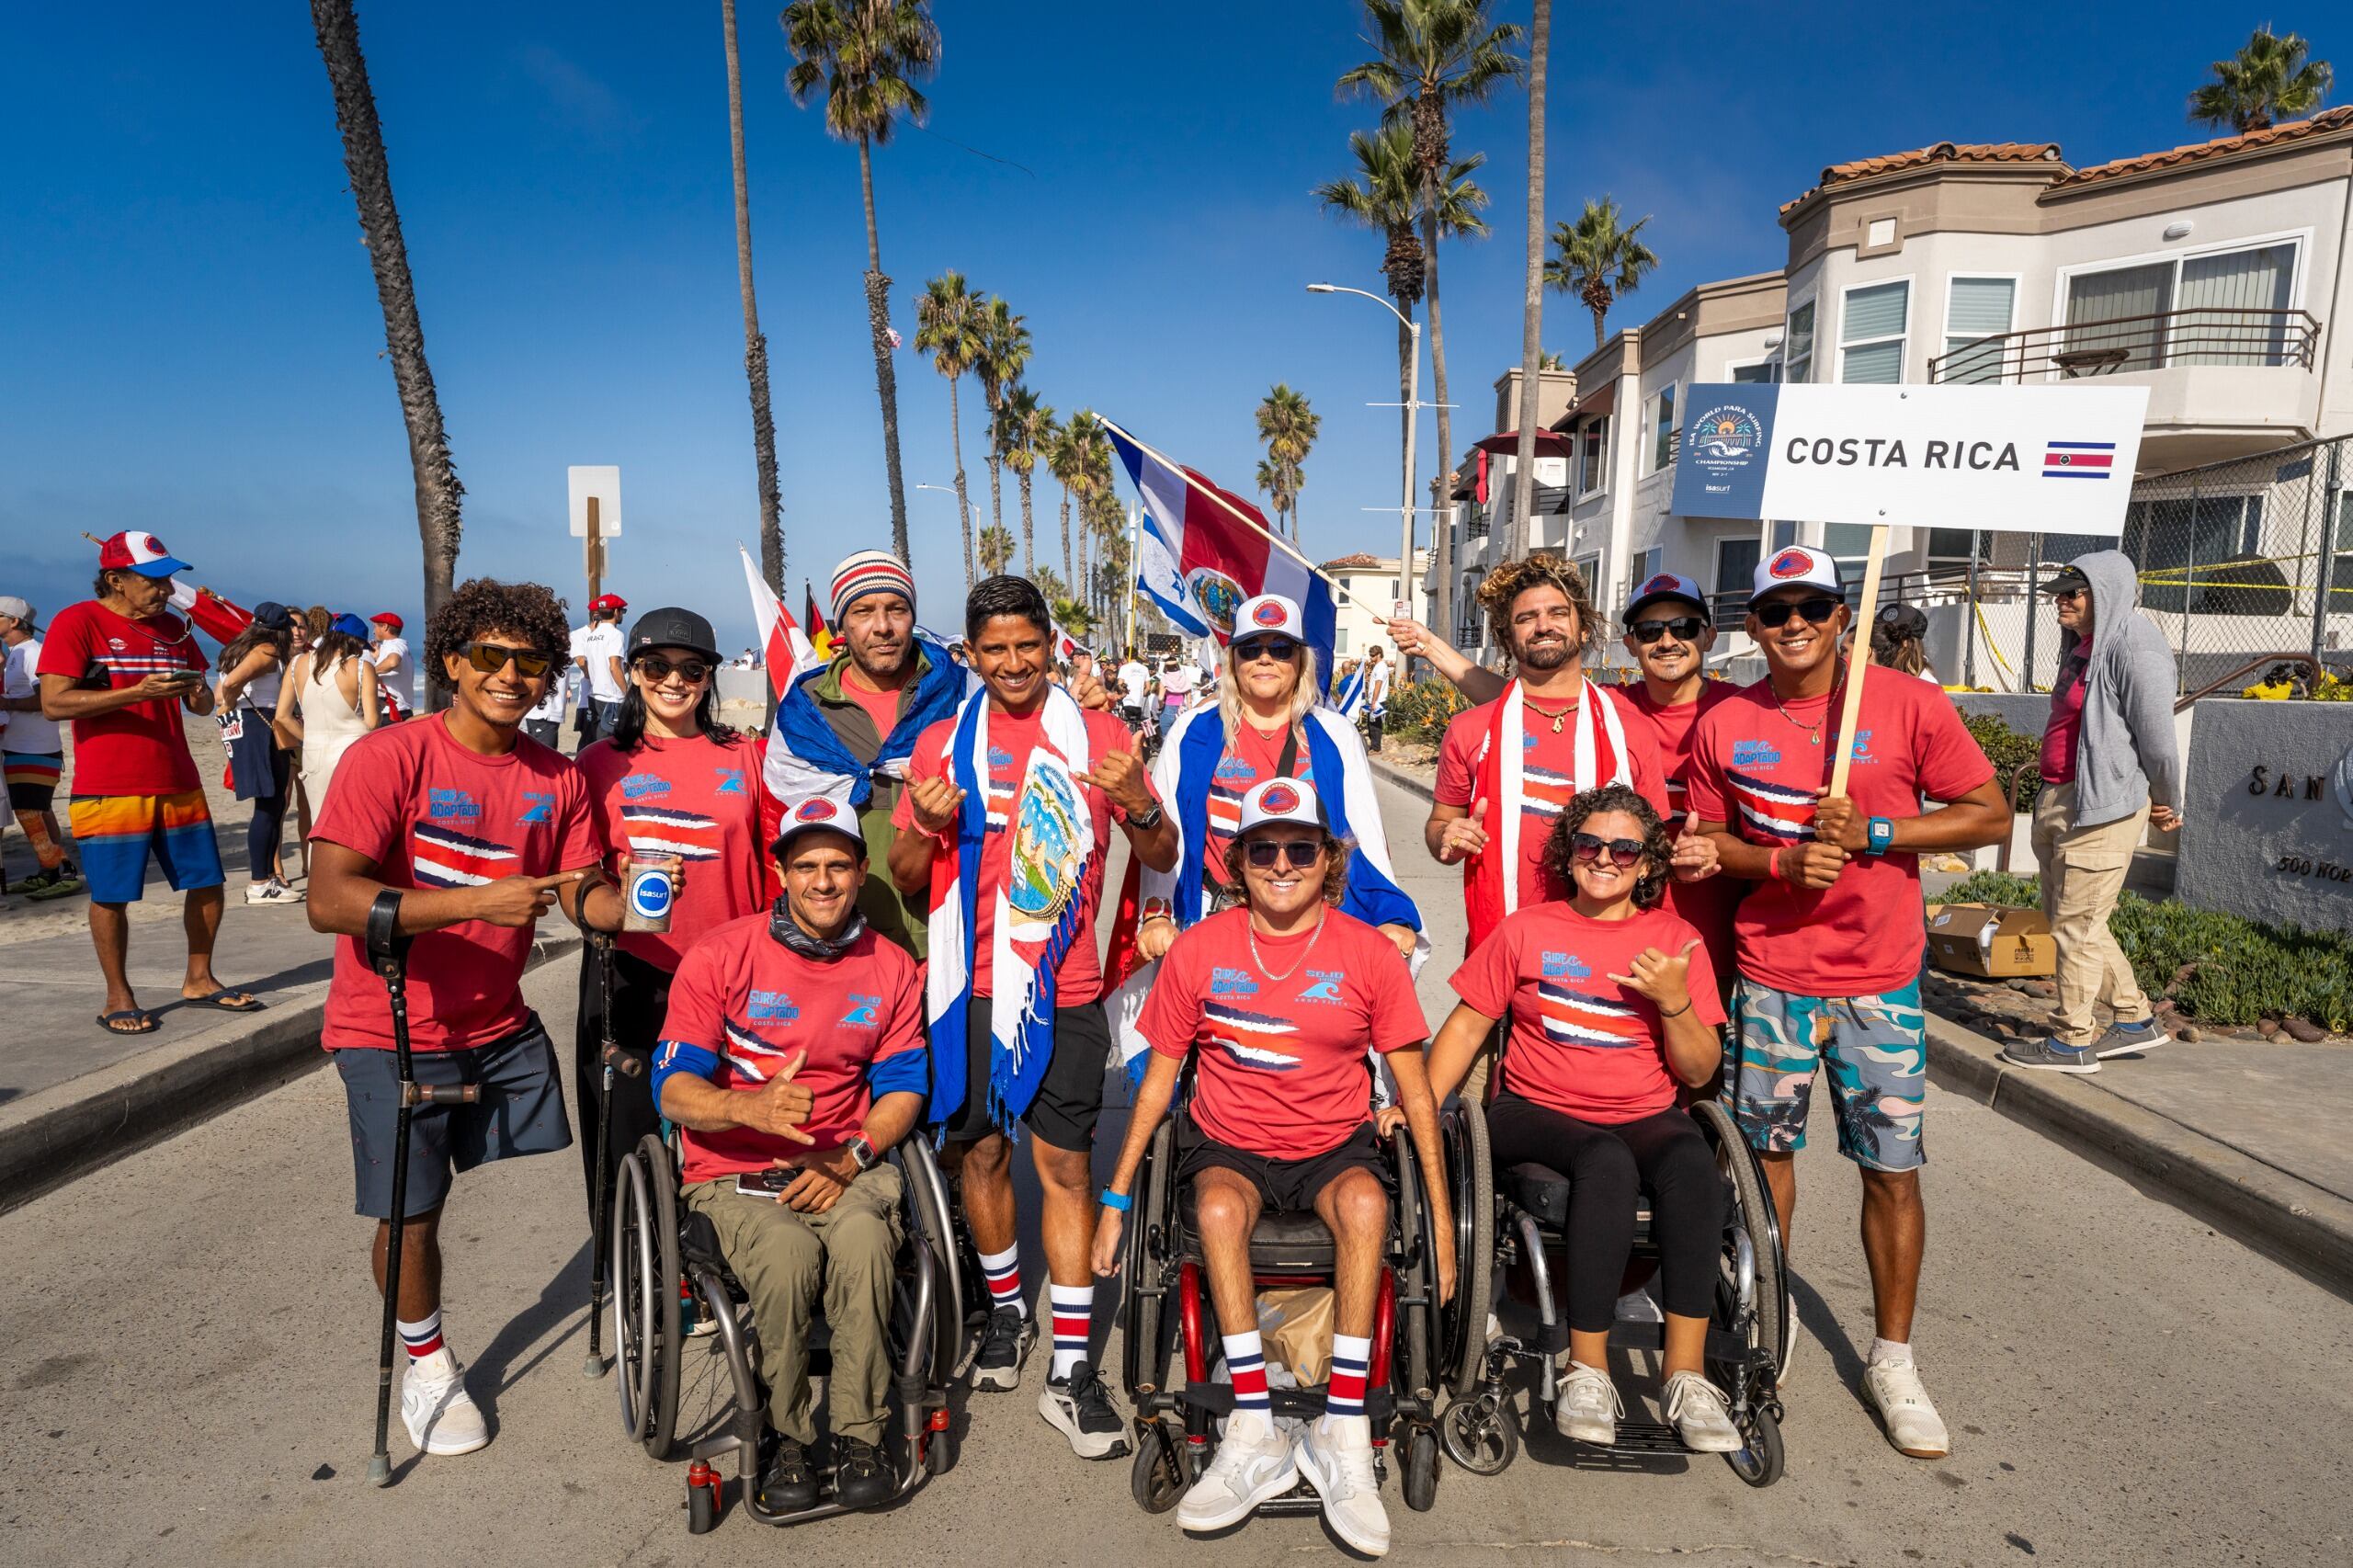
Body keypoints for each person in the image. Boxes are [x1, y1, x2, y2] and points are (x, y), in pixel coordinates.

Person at [1684, 545, 2008, 1460]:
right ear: (1753, 623)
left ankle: (1893, 1357)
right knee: (1761, 1162)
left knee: (1890, 1167)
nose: (1792, 624)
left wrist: (1876, 831)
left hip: (1879, 981)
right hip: (1772, 973)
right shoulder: (1728, 719)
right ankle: (1766, 1320)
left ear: (1840, 617)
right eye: (1774, 609)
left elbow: (1988, 813)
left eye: (1811, 608)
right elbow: (1708, 842)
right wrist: (1777, 860)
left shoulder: (1906, 703)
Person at [305, 576, 625, 1460]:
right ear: (451, 662)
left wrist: (626, 906)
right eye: (491, 656)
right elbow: (330, 901)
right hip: (391, 1024)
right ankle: (427, 1365)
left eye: (531, 661)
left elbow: (576, 894)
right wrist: (471, 902)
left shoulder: (557, 776)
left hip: (499, 1024)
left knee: (474, 1180)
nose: (511, 675)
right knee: (412, 1213)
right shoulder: (389, 758)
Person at [1095, 778, 1450, 1556]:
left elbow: (1417, 1093)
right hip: (1233, 1145)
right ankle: (1252, 1427)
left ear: (1329, 860)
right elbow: (1157, 1081)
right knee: (1216, 1211)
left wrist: (1448, 1231)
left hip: (1333, 1143)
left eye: (1300, 848)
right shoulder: (1199, 950)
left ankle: (1344, 1431)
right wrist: (1117, 1196)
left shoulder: (1368, 953)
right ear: (1238, 861)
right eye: (1264, 849)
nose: (1282, 863)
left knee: (1366, 1207)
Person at [889, 574, 1177, 1456]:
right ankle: (1009, 1312)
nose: (1013, 663)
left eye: (1028, 644)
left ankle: (1071, 1372)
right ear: (970, 657)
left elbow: (1162, 850)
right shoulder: (941, 743)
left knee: (1061, 1166)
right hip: (967, 989)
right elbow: (904, 877)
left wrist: (1134, 799)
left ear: (1051, 644)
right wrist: (924, 830)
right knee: (978, 1151)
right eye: (995, 649)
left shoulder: (1100, 736)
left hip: (1064, 989)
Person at [1425, 782, 1740, 1452]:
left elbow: (1697, 1074)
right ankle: (1587, 1369)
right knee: (1607, 1161)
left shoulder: (1675, 942)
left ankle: (1684, 1374)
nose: (1605, 857)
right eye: (1590, 843)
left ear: (1649, 864)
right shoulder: (1528, 929)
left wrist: (1675, 1002)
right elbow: (1466, 1028)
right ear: (1569, 854)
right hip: (1535, 1110)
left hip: (1643, 1109)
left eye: (1624, 848)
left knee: (1690, 1163)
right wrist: (1417, 1110)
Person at [652, 792, 926, 1513]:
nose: (825, 881)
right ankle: (788, 1435)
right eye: (807, 866)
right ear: (782, 874)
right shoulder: (721, 954)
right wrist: (748, 1107)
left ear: (862, 871)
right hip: (733, 1168)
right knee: (786, 1254)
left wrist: (856, 1155)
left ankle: (861, 1431)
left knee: (867, 1239)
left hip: (845, 1161)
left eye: (839, 865)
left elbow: (902, 1087)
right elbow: (672, 1089)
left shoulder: (892, 967)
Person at [574, 606, 772, 1225]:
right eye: (655, 665)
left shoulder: (750, 756)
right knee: (630, 1140)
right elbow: (579, 880)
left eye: (692, 668)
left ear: (711, 677)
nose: (673, 680)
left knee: (726, 1132)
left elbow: (777, 866)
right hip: (632, 973)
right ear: (632, 672)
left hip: (733, 974)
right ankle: (647, 1277)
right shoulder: (597, 763)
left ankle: (724, 1257)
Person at [37, 533, 257, 1032]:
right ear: (115, 579)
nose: (165, 589)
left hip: (177, 776)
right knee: (111, 894)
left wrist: (199, 691)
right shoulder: (78, 622)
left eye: (167, 579)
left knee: (207, 884)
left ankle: (200, 979)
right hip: (108, 784)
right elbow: (54, 703)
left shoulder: (175, 628)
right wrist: (134, 692)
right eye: (153, 580)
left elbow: (200, 705)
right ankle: (118, 996)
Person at [1130, 593, 1419, 971]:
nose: (1265, 658)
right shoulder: (1193, 733)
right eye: (1250, 648)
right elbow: (1170, 840)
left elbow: (1362, 840)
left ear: (1300, 662)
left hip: (1310, 931)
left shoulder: (1334, 735)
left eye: (1281, 648)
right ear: (1233, 661)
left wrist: (1390, 914)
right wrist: (1157, 913)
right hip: (1215, 927)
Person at [1425, 555, 1687, 960]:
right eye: (1526, 617)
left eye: (1557, 613)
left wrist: (1686, 856)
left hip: (1608, 954)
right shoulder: (1471, 730)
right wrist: (1448, 836)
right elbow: (1440, 824)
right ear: (1507, 637)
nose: (1543, 625)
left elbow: (1652, 849)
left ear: (1582, 627)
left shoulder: (1630, 729)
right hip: (1500, 950)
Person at [2001, 551, 2181, 1074]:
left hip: (2102, 806)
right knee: (2074, 920)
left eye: (2072, 593)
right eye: (2058, 591)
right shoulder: (2082, 645)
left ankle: (2073, 1040)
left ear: (2105, 593)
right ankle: (2133, 1017)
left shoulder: (2136, 646)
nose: (2061, 600)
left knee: (2075, 928)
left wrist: (2168, 798)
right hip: (2061, 797)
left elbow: (2160, 741)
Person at [765, 550, 970, 959]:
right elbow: (778, 826)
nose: (882, 627)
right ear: (841, 623)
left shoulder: (962, 692)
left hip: (952, 931)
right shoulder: (804, 710)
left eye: (896, 609)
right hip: (845, 941)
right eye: (863, 611)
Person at [214, 601, 301, 905]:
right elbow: (232, 684)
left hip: (247, 725)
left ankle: (266, 878)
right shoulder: (267, 651)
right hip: (259, 726)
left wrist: (228, 703)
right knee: (269, 805)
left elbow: (220, 689)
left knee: (272, 804)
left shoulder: (236, 650)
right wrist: (231, 700)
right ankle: (260, 882)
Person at [1, 595, 83, 900]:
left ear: (14, 622)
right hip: (20, 745)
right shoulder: (14, 655)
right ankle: (49, 873)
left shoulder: (32, 653)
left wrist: (6, 703)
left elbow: (47, 699)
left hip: (35, 747)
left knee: (28, 811)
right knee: (38, 810)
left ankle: (64, 870)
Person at [278, 612, 380, 824]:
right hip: (352, 754)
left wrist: (308, 737)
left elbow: (282, 716)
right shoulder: (361, 668)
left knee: (318, 822)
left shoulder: (298, 664)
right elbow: (371, 723)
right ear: (357, 643)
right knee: (351, 824)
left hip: (313, 754)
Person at [571, 595, 628, 745]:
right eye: (623, 611)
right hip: (612, 697)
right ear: (616, 612)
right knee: (611, 743)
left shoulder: (592, 636)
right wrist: (627, 692)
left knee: (593, 740)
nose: (622, 614)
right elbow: (614, 666)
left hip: (594, 696)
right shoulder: (616, 634)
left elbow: (587, 665)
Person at [1871, 603, 1938, 686]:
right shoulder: (1873, 672)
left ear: (1906, 642)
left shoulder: (1926, 684)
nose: (1877, 642)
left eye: (1890, 637)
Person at [368, 612, 412, 722]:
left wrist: (368, 673)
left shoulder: (395, 644)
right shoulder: (394, 646)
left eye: (375, 626)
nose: (373, 631)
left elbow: (393, 662)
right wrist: (378, 657)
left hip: (393, 712)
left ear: (385, 627)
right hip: (398, 710)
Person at [1360, 644, 1390, 752]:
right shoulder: (1377, 666)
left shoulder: (1381, 667)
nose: (1371, 657)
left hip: (1378, 701)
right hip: (1374, 700)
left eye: (1373, 655)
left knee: (1376, 725)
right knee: (1371, 724)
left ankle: (1376, 748)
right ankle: (1373, 746)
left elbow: (1378, 684)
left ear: (1379, 654)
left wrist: (1374, 702)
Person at [1115, 646, 1150, 729]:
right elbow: (1148, 688)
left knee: (1125, 728)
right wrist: (1140, 694)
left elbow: (1120, 685)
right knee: (1138, 728)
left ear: (1126, 656)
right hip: (1139, 704)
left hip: (1126, 703)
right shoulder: (1144, 668)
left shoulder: (1124, 668)